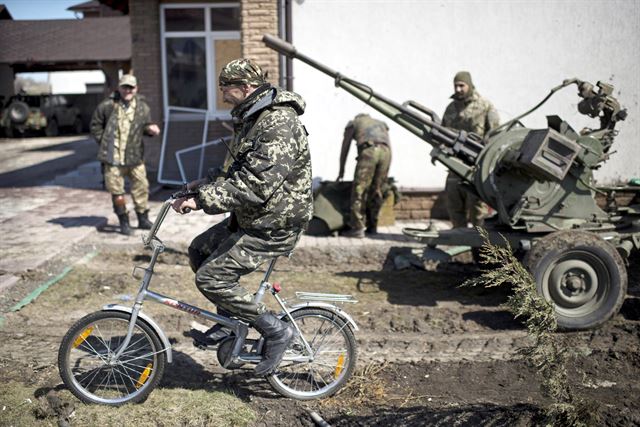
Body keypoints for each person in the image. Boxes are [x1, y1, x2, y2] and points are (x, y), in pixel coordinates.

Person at [172, 59, 313, 376]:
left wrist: (200, 201)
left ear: (246, 88)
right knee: (200, 250)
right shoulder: (253, 118)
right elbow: (237, 170)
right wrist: (203, 184)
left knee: (210, 278)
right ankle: (231, 321)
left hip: (275, 223)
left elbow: (256, 184)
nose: (223, 98)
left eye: (226, 90)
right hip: (255, 216)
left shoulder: (278, 123)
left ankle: (276, 331)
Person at [90, 74, 161, 235]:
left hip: (135, 157)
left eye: (131, 87)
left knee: (141, 187)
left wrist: (150, 129)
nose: (128, 90)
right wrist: (104, 142)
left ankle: (143, 219)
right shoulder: (108, 106)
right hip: (113, 158)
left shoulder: (143, 107)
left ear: (136, 89)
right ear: (119, 88)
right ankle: (124, 221)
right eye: (125, 87)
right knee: (117, 191)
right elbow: (95, 125)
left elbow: (144, 126)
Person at [442, 71, 499, 228]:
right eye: (456, 86)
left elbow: (495, 134)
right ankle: (460, 244)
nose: (458, 89)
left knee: (478, 212)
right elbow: (442, 133)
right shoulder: (450, 109)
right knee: (454, 207)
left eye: (462, 85)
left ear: (470, 85)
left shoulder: (485, 106)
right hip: (454, 167)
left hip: (476, 168)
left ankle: (480, 249)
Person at [337, 113, 392, 238]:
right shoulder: (380, 123)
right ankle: (373, 226)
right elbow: (389, 144)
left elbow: (345, 147)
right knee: (377, 189)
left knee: (359, 189)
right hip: (386, 152)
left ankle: (357, 228)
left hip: (369, 151)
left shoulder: (354, 123)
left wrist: (341, 170)